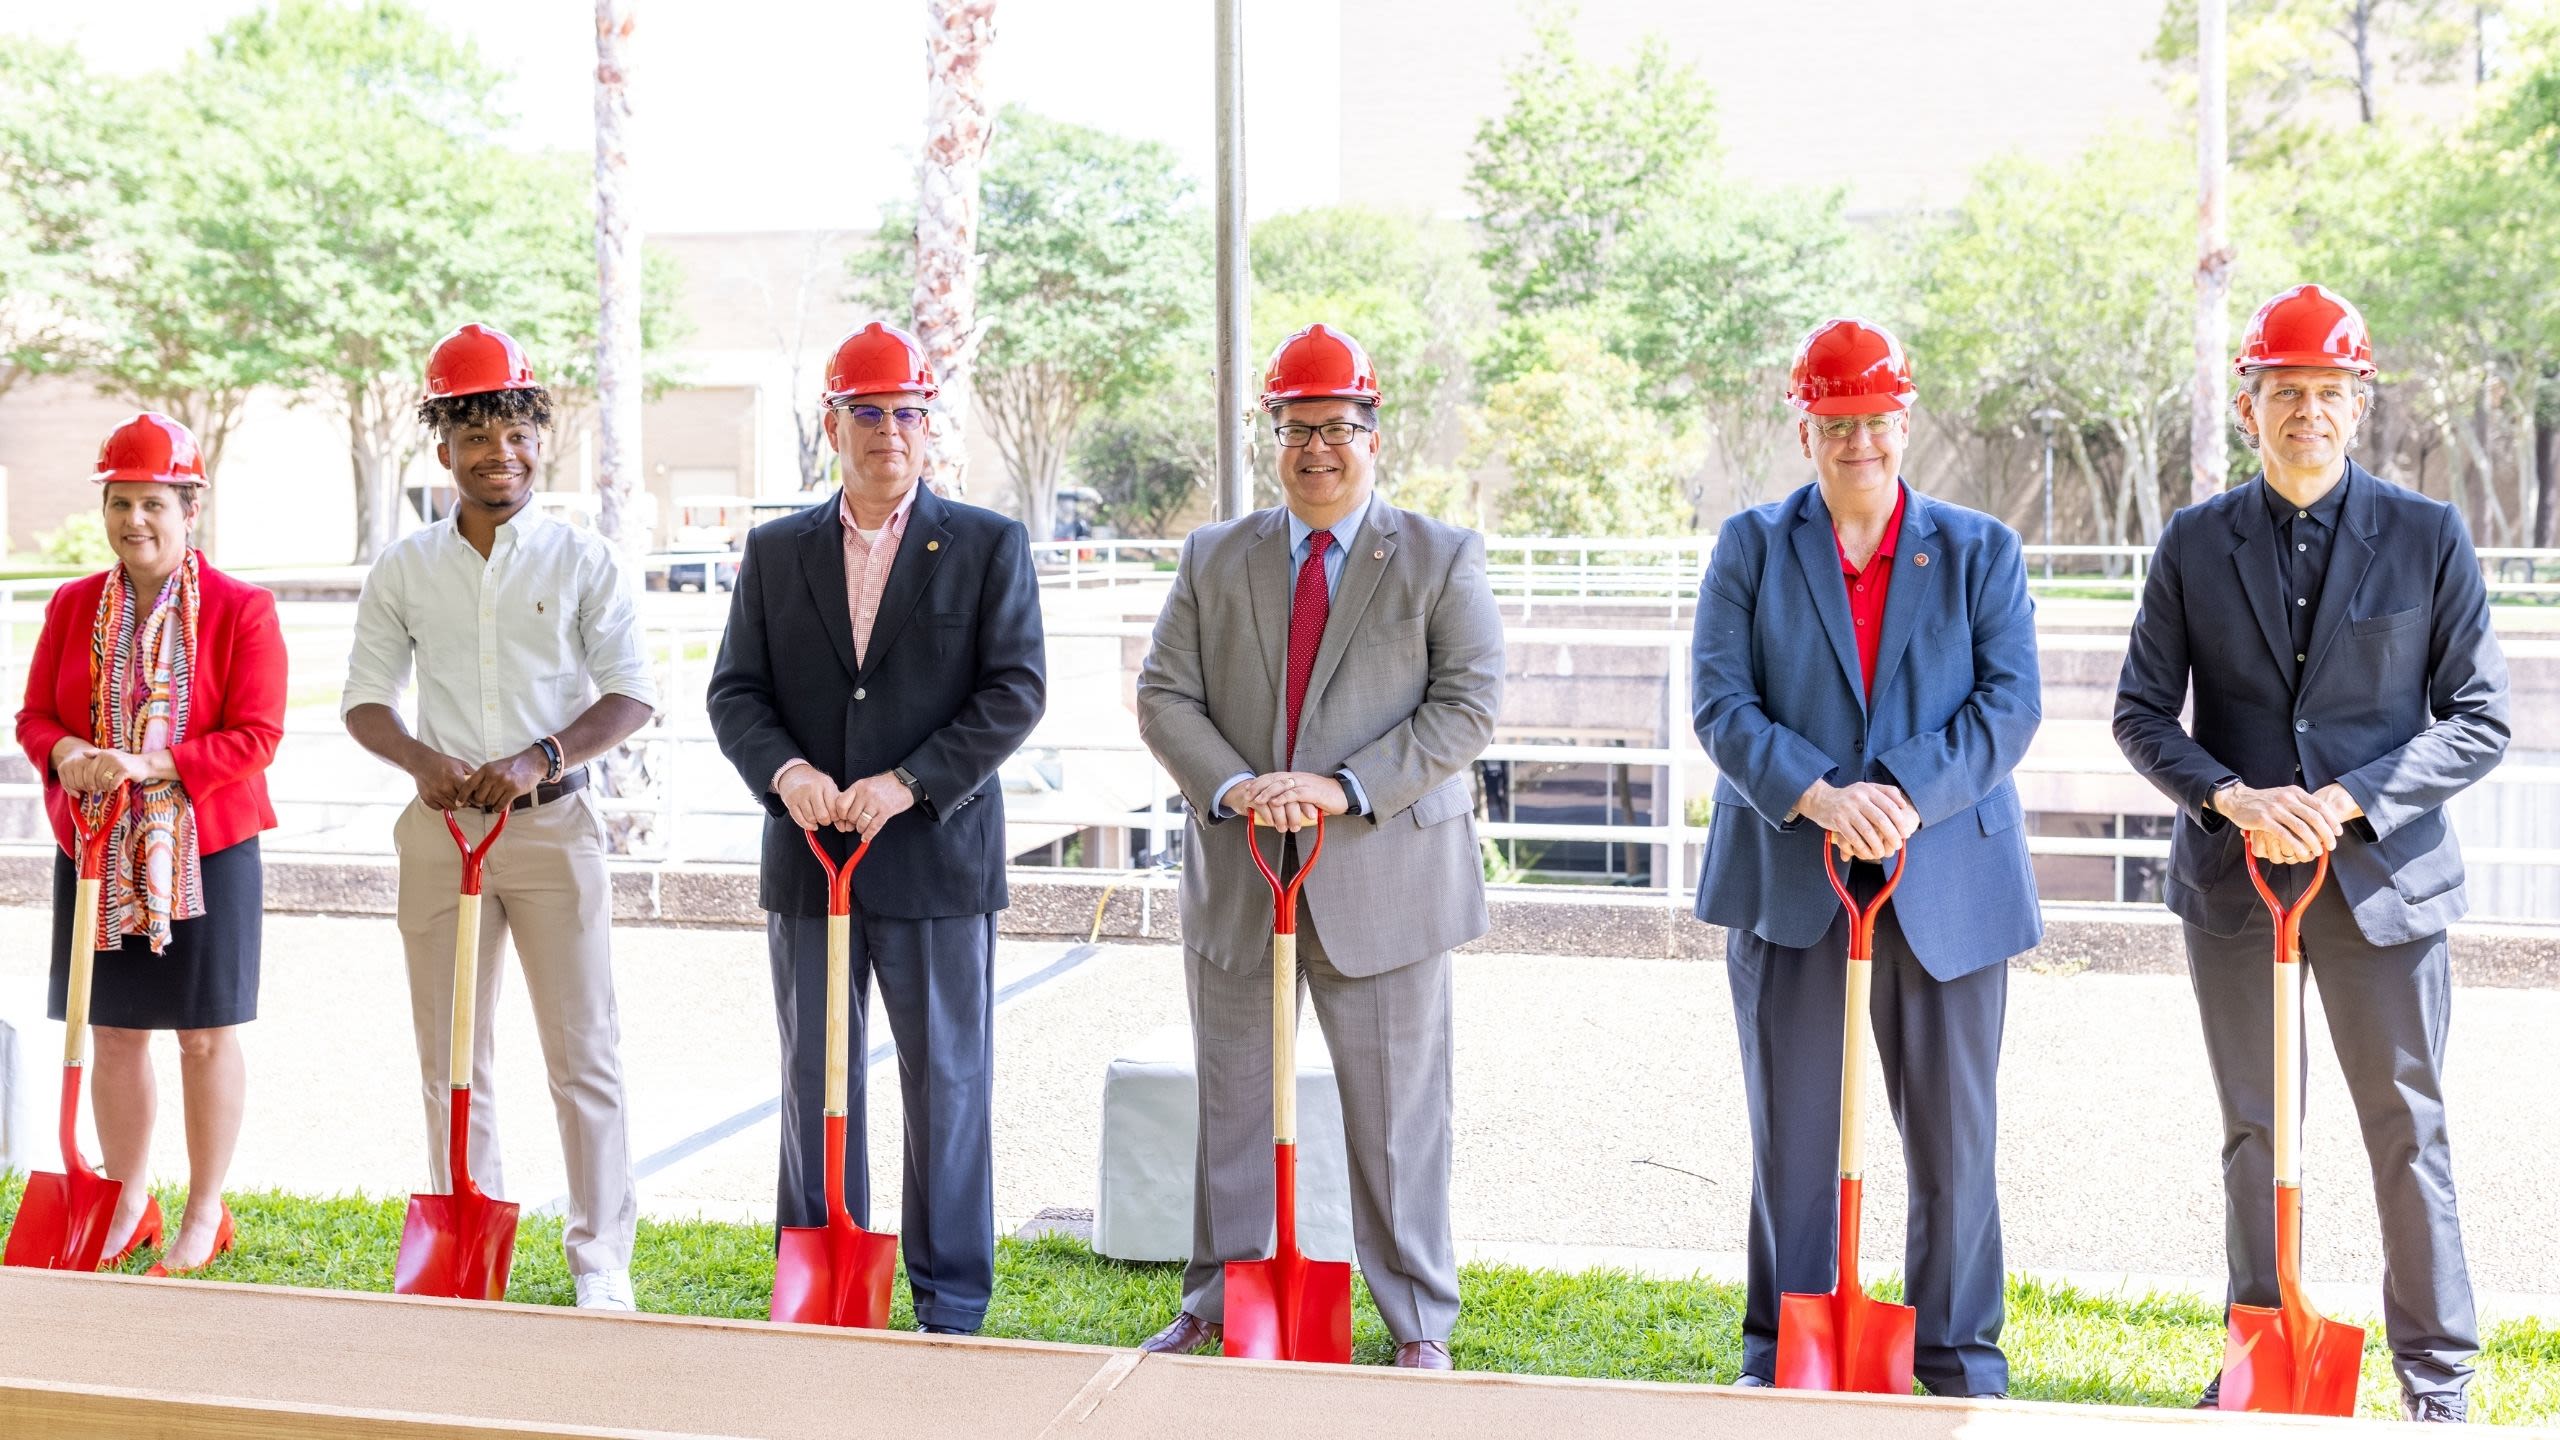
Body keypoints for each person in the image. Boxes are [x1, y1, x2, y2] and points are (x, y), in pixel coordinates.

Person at [2113, 284, 2508, 1425]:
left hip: (2384, 881)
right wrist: (2230, 797)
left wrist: (2342, 800)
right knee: (2253, 1125)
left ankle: (2436, 1379)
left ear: (2358, 405)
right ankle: (2261, 1348)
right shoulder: (2192, 544)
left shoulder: (2428, 537)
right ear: (2251, 405)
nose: (2309, 413)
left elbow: (2478, 717)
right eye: (2287, 392)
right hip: (2237, 889)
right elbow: (2142, 714)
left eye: (2330, 393)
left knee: (2406, 1124)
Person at [1132, 323, 1503, 1369]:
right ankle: (1216, 1300)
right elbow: (1165, 694)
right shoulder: (1216, 555)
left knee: (1395, 1122)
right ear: (1273, 437)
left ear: (1371, 434)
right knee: (1235, 1105)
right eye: (1296, 429)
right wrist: (1238, 784)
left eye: (1337, 427)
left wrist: (1341, 789)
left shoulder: (1438, 555)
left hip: (1383, 879)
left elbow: (1466, 708)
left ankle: (1418, 1322)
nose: (1316, 449)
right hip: (1243, 877)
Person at [1690, 318, 2041, 1397]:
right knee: (1793, 1137)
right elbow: (1719, 701)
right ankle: (1784, 1352)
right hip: (1792, 878)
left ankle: (1957, 1357)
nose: (1860, 443)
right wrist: (1820, 797)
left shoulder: (1979, 549)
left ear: (1904, 421)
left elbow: (2008, 705)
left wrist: (1894, 797)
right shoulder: (1750, 546)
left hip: (1947, 887)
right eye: (1836, 423)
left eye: (1877, 421)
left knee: (1953, 1145)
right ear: (1805, 428)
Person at [706, 321, 1046, 1335]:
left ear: (929, 426)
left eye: (905, 413)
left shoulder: (987, 544)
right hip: (812, 860)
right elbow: (735, 693)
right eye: (868, 413)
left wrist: (910, 782)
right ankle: (823, 1282)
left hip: (937, 858)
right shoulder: (776, 553)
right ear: (833, 425)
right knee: (815, 1079)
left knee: (947, 1083)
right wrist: (788, 771)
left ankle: (950, 1298)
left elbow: (1014, 690)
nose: (888, 431)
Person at [342, 322, 659, 1310]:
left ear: (538, 438)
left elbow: (632, 693)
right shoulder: (406, 567)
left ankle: (600, 1260)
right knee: (450, 1054)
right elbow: (363, 697)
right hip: (442, 836)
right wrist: (416, 757)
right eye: (476, 434)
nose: (500, 453)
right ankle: (466, 1235)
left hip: (554, 831)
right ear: (443, 446)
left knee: (585, 1054)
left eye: (517, 431)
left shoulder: (582, 560)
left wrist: (542, 756)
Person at [15, 412, 285, 1275]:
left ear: (189, 506)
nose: (135, 520)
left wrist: (151, 761)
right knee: (117, 1032)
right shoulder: (70, 606)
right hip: (98, 847)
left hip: (207, 848)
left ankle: (206, 1211)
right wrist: (67, 753)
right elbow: (33, 718)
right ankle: (127, 1199)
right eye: (120, 502)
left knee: (203, 1036)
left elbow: (258, 735)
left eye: (153, 503)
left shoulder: (243, 609)